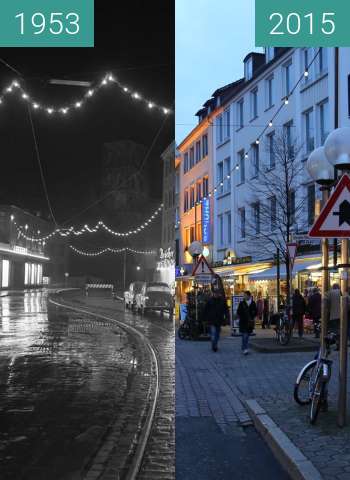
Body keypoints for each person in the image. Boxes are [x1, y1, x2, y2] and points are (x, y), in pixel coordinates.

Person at [203, 287, 229, 352]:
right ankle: (214, 346)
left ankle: (214, 344)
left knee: (217, 334)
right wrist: (205, 318)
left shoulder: (222, 301)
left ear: (219, 294)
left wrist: (227, 316)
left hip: (219, 319)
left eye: (217, 293)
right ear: (213, 293)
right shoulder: (210, 300)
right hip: (211, 320)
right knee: (213, 333)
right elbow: (205, 310)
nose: (216, 294)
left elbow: (226, 309)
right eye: (215, 293)